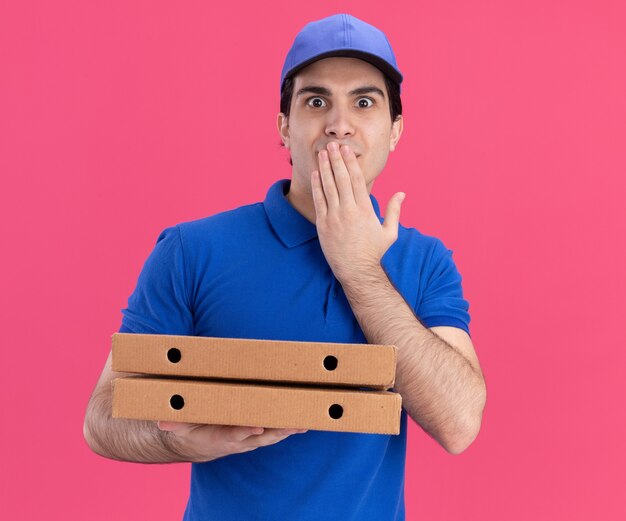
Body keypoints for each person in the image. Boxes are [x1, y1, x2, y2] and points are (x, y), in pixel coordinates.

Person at [84, 13, 487, 520]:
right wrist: (191, 443)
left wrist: (360, 270)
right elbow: (103, 417)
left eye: (364, 102)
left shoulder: (426, 261)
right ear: (283, 126)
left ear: (395, 130)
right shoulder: (190, 250)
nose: (339, 123)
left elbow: (459, 423)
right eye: (316, 101)